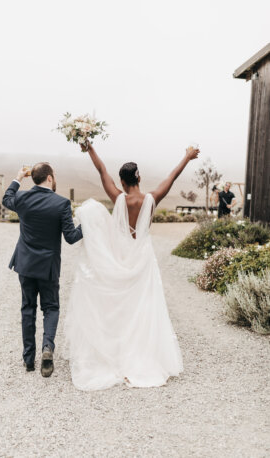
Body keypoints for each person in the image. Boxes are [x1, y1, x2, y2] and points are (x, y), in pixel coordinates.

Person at [64, 143, 200, 391]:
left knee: (122, 306)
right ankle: (141, 354)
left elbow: (101, 169)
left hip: (120, 257)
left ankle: (117, 353)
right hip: (143, 258)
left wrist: (90, 147)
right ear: (139, 177)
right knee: (144, 306)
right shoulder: (152, 199)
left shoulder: (118, 199)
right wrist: (187, 157)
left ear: (122, 181)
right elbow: (172, 176)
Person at [2, 163, 82, 377]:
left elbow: (6, 198)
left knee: (27, 308)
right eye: (53, 175)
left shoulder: (22, 198)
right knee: (51, 308)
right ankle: (47, 348)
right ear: (48, 178)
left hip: (25, 265)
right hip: (48, 267)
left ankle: (28, 360)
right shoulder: (61, 203)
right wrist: (88, 224)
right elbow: (72, 237)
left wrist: (18, 178)